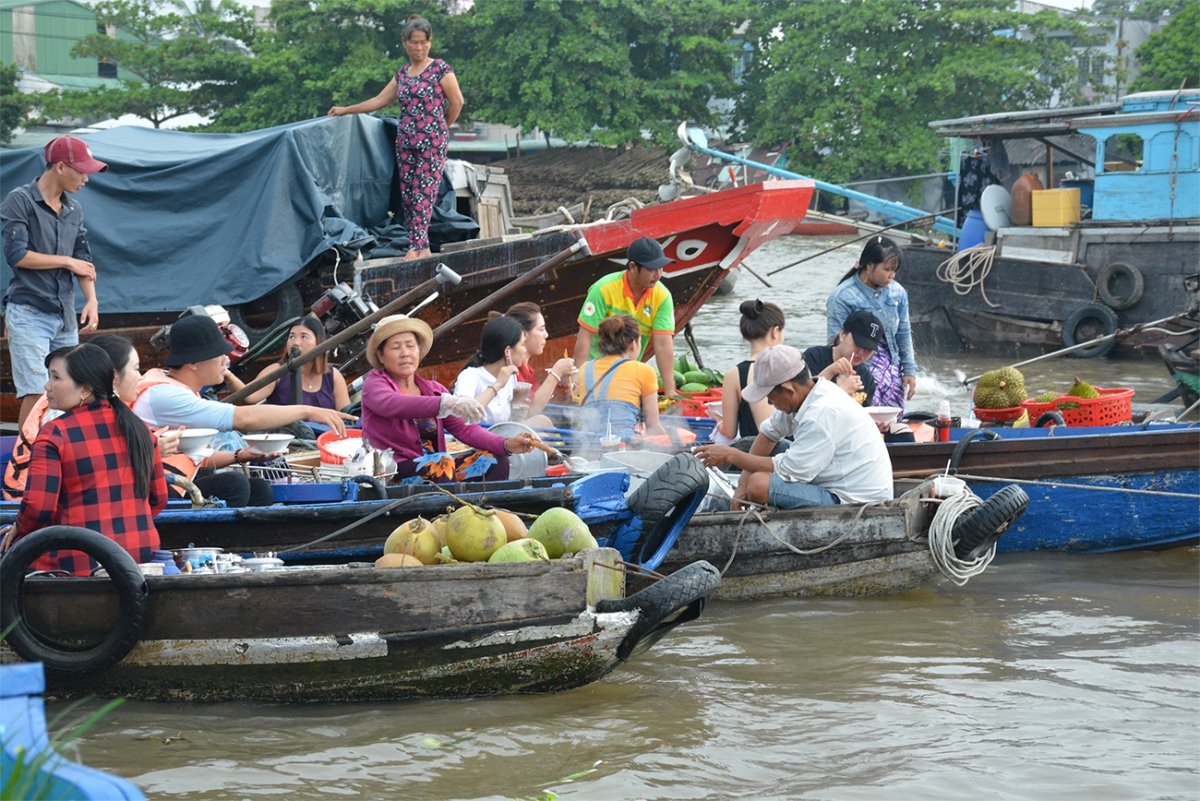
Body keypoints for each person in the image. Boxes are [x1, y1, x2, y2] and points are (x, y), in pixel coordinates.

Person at [132, 315, 354, 507]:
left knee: (259, 489)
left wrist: (242, 455)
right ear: (193, 363)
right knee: (234, 485)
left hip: (176, 481)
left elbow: (198, 459)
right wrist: (308, 411)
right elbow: (243, 417)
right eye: (219, 354)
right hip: (153, 488)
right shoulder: (167, 396)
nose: (226, 360)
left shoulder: (183, 390)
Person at [13, 343, 168, 575]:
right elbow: (158, 499)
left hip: (78, 561)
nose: (47, 386)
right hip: (140, 556)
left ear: (85, 389)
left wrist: (19, 529)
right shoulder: (141, 429)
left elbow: (38, 509)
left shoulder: (56, 433)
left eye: (55, 377)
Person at [327, 15, 463, 262]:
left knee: (424, 192)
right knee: (410, 196)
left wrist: (441, 128)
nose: (419, 48)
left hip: (432, 143)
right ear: (405, 43)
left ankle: (414, 248)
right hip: (405, 142)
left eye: (424, 42)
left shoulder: (440, 69)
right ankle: (423, 248)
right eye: (414, 43)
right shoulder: (402, 74)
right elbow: (379, 101)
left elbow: (457, 102)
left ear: (430, 43)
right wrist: (346, 109)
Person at [695, 345, 892, 510]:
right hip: (831, 473)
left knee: (759, 485)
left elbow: (790, 469)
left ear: (788, 389)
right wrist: (740, 489)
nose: (771, 403)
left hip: (854, 500)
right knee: (764, 452)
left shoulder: (820, 414)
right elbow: (767, 435)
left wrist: (731, 456)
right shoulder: (805, 395)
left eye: (771, 397)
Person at [3, 136, 107, 429]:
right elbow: (16, 255)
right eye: (82, 170)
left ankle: (60, 460)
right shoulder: (20, 199)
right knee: (38, 393)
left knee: (71, 393)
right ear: (60, 167)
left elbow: (82, 260)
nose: (87, 178)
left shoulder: (74, 209)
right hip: (28, 311)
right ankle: (23, 467)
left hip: (65, 315)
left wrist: (93, 301)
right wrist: (66, 261)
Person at [3, 335, 182, 501]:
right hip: (31, 501)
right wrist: (146, 451)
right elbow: (81, 473)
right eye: (135, 369)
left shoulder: (100, 407)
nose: (141, 377)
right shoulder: (59, 415)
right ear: (112, 376)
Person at [360, 314, 534, 482]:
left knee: (495, 458)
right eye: (396, 347)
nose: (405, 353)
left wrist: (506, 444)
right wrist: (446, 403)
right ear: (380, 355)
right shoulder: (374, 384)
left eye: (410, 346)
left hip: (439, 469)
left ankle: (484, 509)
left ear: (419, 352)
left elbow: (466, 429)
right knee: (442, 462)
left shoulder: (434, 389)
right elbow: (394, 405)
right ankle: (450, 510)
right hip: (392, 473)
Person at [574, 236, 678, 398]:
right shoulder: (603, 289)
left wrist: (670, 391)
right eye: (651, 269)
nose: (658, 275)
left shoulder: (663, 296)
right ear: (633, 267)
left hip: (627, 372)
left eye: (661, 268)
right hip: (593, 371)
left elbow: (664, 344)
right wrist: (578, 380)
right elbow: (585, 336)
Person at [826, 235, 917, 413]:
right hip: (859, 370)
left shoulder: (897, 293)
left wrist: (909, 370)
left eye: (895, 270)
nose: (892, 275)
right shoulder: (842, 297)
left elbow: (903, 333)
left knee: (890, 423)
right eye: (888, 269)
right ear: (869, 265)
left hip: (892, 370)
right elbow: (835, 342)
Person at [575, 315, 667, 440]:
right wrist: (671, 447)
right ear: (633, 344)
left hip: (585, 444)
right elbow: (653, 426)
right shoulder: (644, 370)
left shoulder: (584, 369)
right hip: (622, 446)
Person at [236, 316, 351, 410]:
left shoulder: (333, 375)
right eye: (291, 337)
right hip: (288, 436)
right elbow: (248, 398)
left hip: (325, 437)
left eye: (304, 337)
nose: (295, 343)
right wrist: (229, 376)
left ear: (319, 342)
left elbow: (346, 415)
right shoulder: (277, 371)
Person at [714, 300, 786, 442]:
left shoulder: (733, 374)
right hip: (792, 452)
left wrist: (718, 421)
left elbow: (729, 432)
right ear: (775, 331)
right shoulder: (792, 365)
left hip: (753, 457)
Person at [501, 302, 576, 419]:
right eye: (541, 330)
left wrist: (560, 385)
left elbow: (539, 398)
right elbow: (531, 410)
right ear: (524, 335)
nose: (546, 335)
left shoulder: (526, 368)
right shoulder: (513, 370)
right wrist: (556, 373)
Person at [453, 315, 526, 425]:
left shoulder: (511, 378)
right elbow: (464, 415)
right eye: (523, 344)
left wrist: (518, 415)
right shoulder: (470, 376)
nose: (525, 350)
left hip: (498, 439)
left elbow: (506, 425)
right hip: (471, 440)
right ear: (508, 351)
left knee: (543, 421)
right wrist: (497, 385)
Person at [803, 310, 881, 406]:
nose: (861, 352)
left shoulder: (867, 379)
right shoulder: (813, 357)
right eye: (858, 344)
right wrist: (840, 390)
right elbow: (803, 405)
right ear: (842, 335)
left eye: (868, 349)